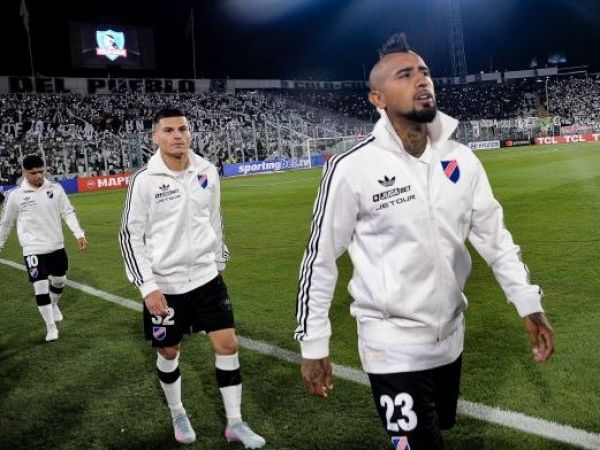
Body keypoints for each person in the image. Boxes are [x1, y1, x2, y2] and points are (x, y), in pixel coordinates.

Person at [294, 33, 555, 450]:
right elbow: (320, 258)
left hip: (450, 339)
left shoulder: (461, 159)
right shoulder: (352, 168)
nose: (421, 80)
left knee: (441, 427)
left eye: (425, 72)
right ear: (377, 98)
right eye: (405, 75)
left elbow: (495, 238)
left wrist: (529, 303)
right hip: (390, 345)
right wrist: (313, 342)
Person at [119, 107, 266, 448]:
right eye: (169, 130)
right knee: (170, 351)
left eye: (183, 129)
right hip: (165, 285)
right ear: (155, 137)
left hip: (205, 277)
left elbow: (214, 218)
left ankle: (235, 422)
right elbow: (129, 235)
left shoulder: (207, 170)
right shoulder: (144, 180)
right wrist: (148, 287)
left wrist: (219, 256)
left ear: (190, 133)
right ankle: (178, 412)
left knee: (228, 345)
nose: (177, 136)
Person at [0, 155, 87, 342]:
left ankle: (53, 304)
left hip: (56, 245)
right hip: (32, 249)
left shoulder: (55, 189)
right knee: (40, 286)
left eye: (41, 171)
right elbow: (6, 223)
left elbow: (68, 212)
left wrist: (79, 233)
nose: (39, 176)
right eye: (33, 173)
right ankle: (51, 327)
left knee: (60, 281)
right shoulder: (15, 195)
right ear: (24, 172)